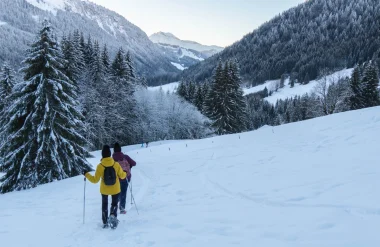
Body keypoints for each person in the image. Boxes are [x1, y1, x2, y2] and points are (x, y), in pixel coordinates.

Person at [84, 145, 127, 229]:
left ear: (102, 154)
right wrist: (125, 172)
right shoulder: (116, 164)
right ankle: (113, 216)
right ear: (110, 154)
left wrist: (86, 174)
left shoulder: (100, 166)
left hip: (104, 190)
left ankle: (105, 222)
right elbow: (122, 176)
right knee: (114, 204)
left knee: (104, 205)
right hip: (115, 189)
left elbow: (95, 180)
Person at [112, 142, 136, 214]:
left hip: (116, 179)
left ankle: (117, 201)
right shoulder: (125, 157)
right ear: (120, 149)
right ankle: (122, 209)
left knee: (117, 192)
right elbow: (134, 163)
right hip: (126, 177)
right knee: (124, 193)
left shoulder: (112, 159)